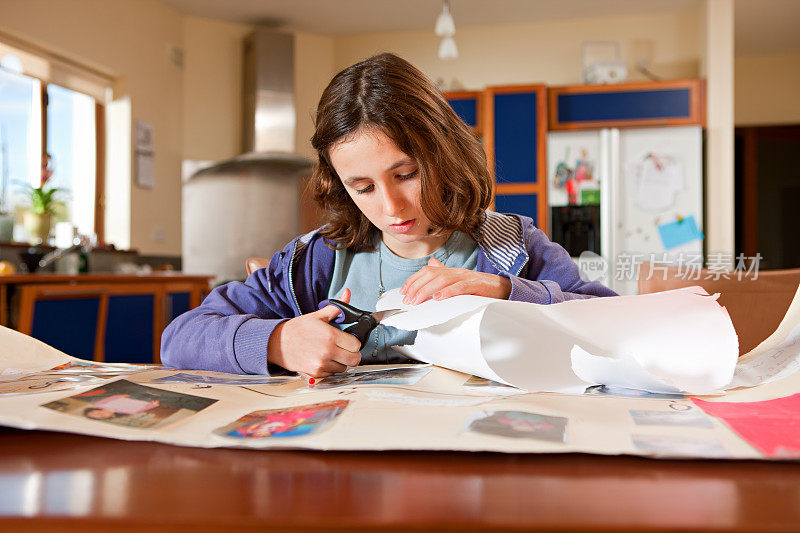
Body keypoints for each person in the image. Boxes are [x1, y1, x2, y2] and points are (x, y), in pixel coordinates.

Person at [161, 52, 616, 378]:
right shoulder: (317, 259)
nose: (391, 208)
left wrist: (507, 290)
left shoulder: (511, 246)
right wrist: (277, 341)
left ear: (445, 154)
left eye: (407, 174)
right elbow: (179, 338)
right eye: (363, 187)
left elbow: (616, 324)